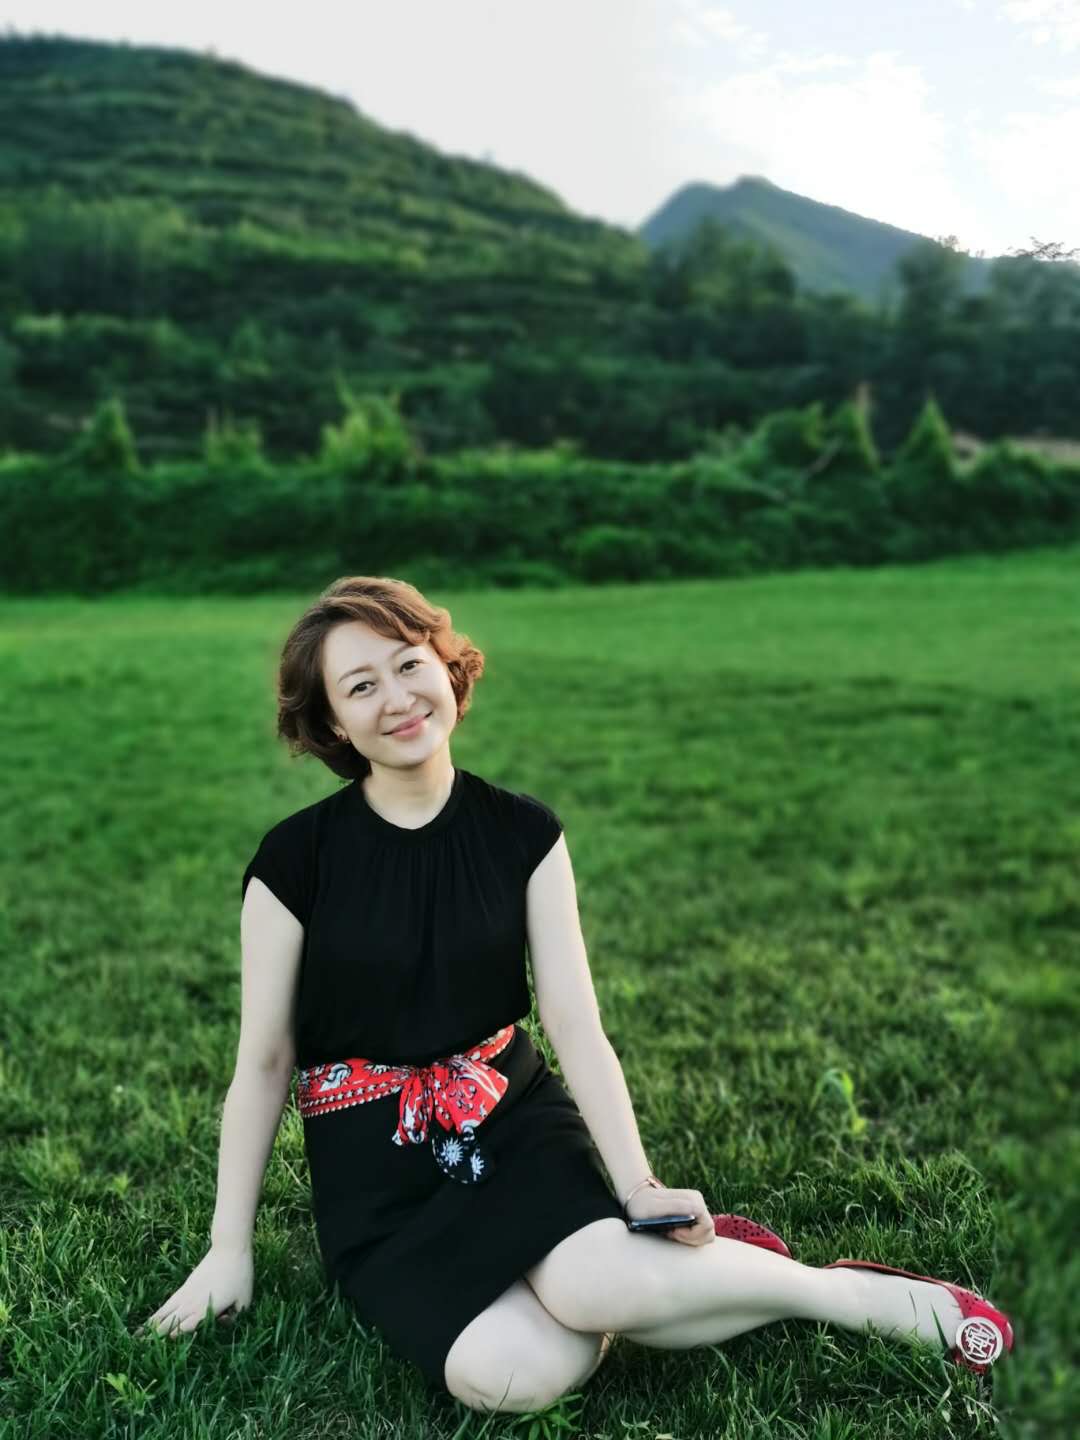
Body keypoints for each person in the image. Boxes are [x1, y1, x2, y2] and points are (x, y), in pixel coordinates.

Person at [140, 575, 1014, 1413]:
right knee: (510, 1379)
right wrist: (228, 1250)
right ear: (333, 719)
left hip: (511, 1123)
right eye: (361, 686)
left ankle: (841, 1294)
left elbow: (574, 1023)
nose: (397, 699)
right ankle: (661, 1282)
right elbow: (265, 1062)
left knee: (596, 1286)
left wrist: (636, 1182)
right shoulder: (295, 860)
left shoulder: (522, 832)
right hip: (378, 1176)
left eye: (409, 665)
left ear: (447, 668)